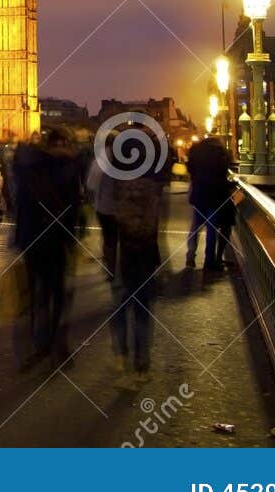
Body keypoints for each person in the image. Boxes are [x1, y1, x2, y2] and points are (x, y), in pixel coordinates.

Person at [9, 128, 83, 371]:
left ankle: (41, 345)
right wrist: (73, 237)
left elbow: (17, 200)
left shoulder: (29, 168)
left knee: (38, 295)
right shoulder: (67, 168)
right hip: (56, 238)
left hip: (32, 238)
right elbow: (73, 206)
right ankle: (57, 346)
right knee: (58, 294)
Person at [108, 130, 174, 373]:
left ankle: (122, 354)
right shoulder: (154, 183)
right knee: (144, 306)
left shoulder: (117, 178)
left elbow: (109, 208)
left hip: (124, 247)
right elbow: (160, 222)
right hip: (147, 246)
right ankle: (142, 360)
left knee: (120, 302)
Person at [184, 136, 235, 272]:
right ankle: (209, 261)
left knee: (195, 228)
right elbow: (223, 173)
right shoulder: (222, 154)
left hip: (199, 193)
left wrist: (197, 179)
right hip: (214, 196)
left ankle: (190, 257)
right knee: (211, 229)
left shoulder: (196, 150)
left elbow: (190, 167)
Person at [83, 133, 118, 281]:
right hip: (124, 206)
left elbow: (91, 184)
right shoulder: (128, 158)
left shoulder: (101, 160)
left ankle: (111, 270)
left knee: (109, 239)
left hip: (105, 206)